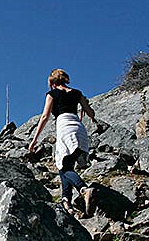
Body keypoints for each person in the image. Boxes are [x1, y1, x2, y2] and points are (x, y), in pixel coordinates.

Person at [28, 69, 97, 216]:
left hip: (65, 127)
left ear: (52, 83)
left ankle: (83, 189)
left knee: (63, 166)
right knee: (66, 165)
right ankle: (66, 201)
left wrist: (34, 139)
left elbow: (45, 116)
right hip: (79, 128)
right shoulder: (77, 93)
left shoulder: (52, 94)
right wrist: (85, 103)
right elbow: (91, 114)